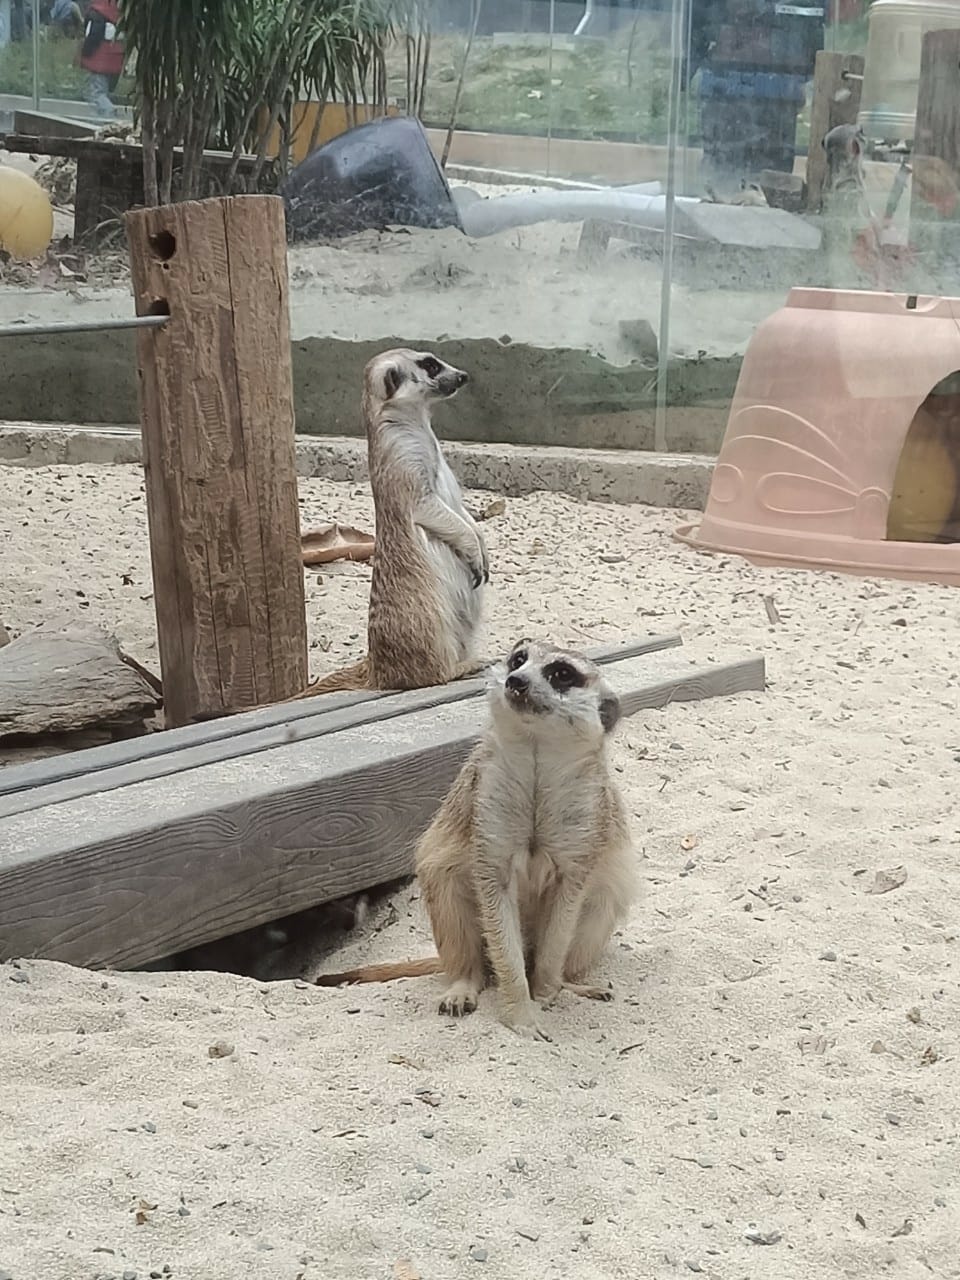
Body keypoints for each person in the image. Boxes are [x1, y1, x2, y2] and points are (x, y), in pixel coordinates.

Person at [78, 0, 125, 120]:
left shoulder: (98, 11)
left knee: (96, 93)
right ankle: (102, 116)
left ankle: (109, 113)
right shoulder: (119, 9)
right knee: (105, 92)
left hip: (100, 60)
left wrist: (84, 53)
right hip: (117, 58)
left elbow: (94, 36)